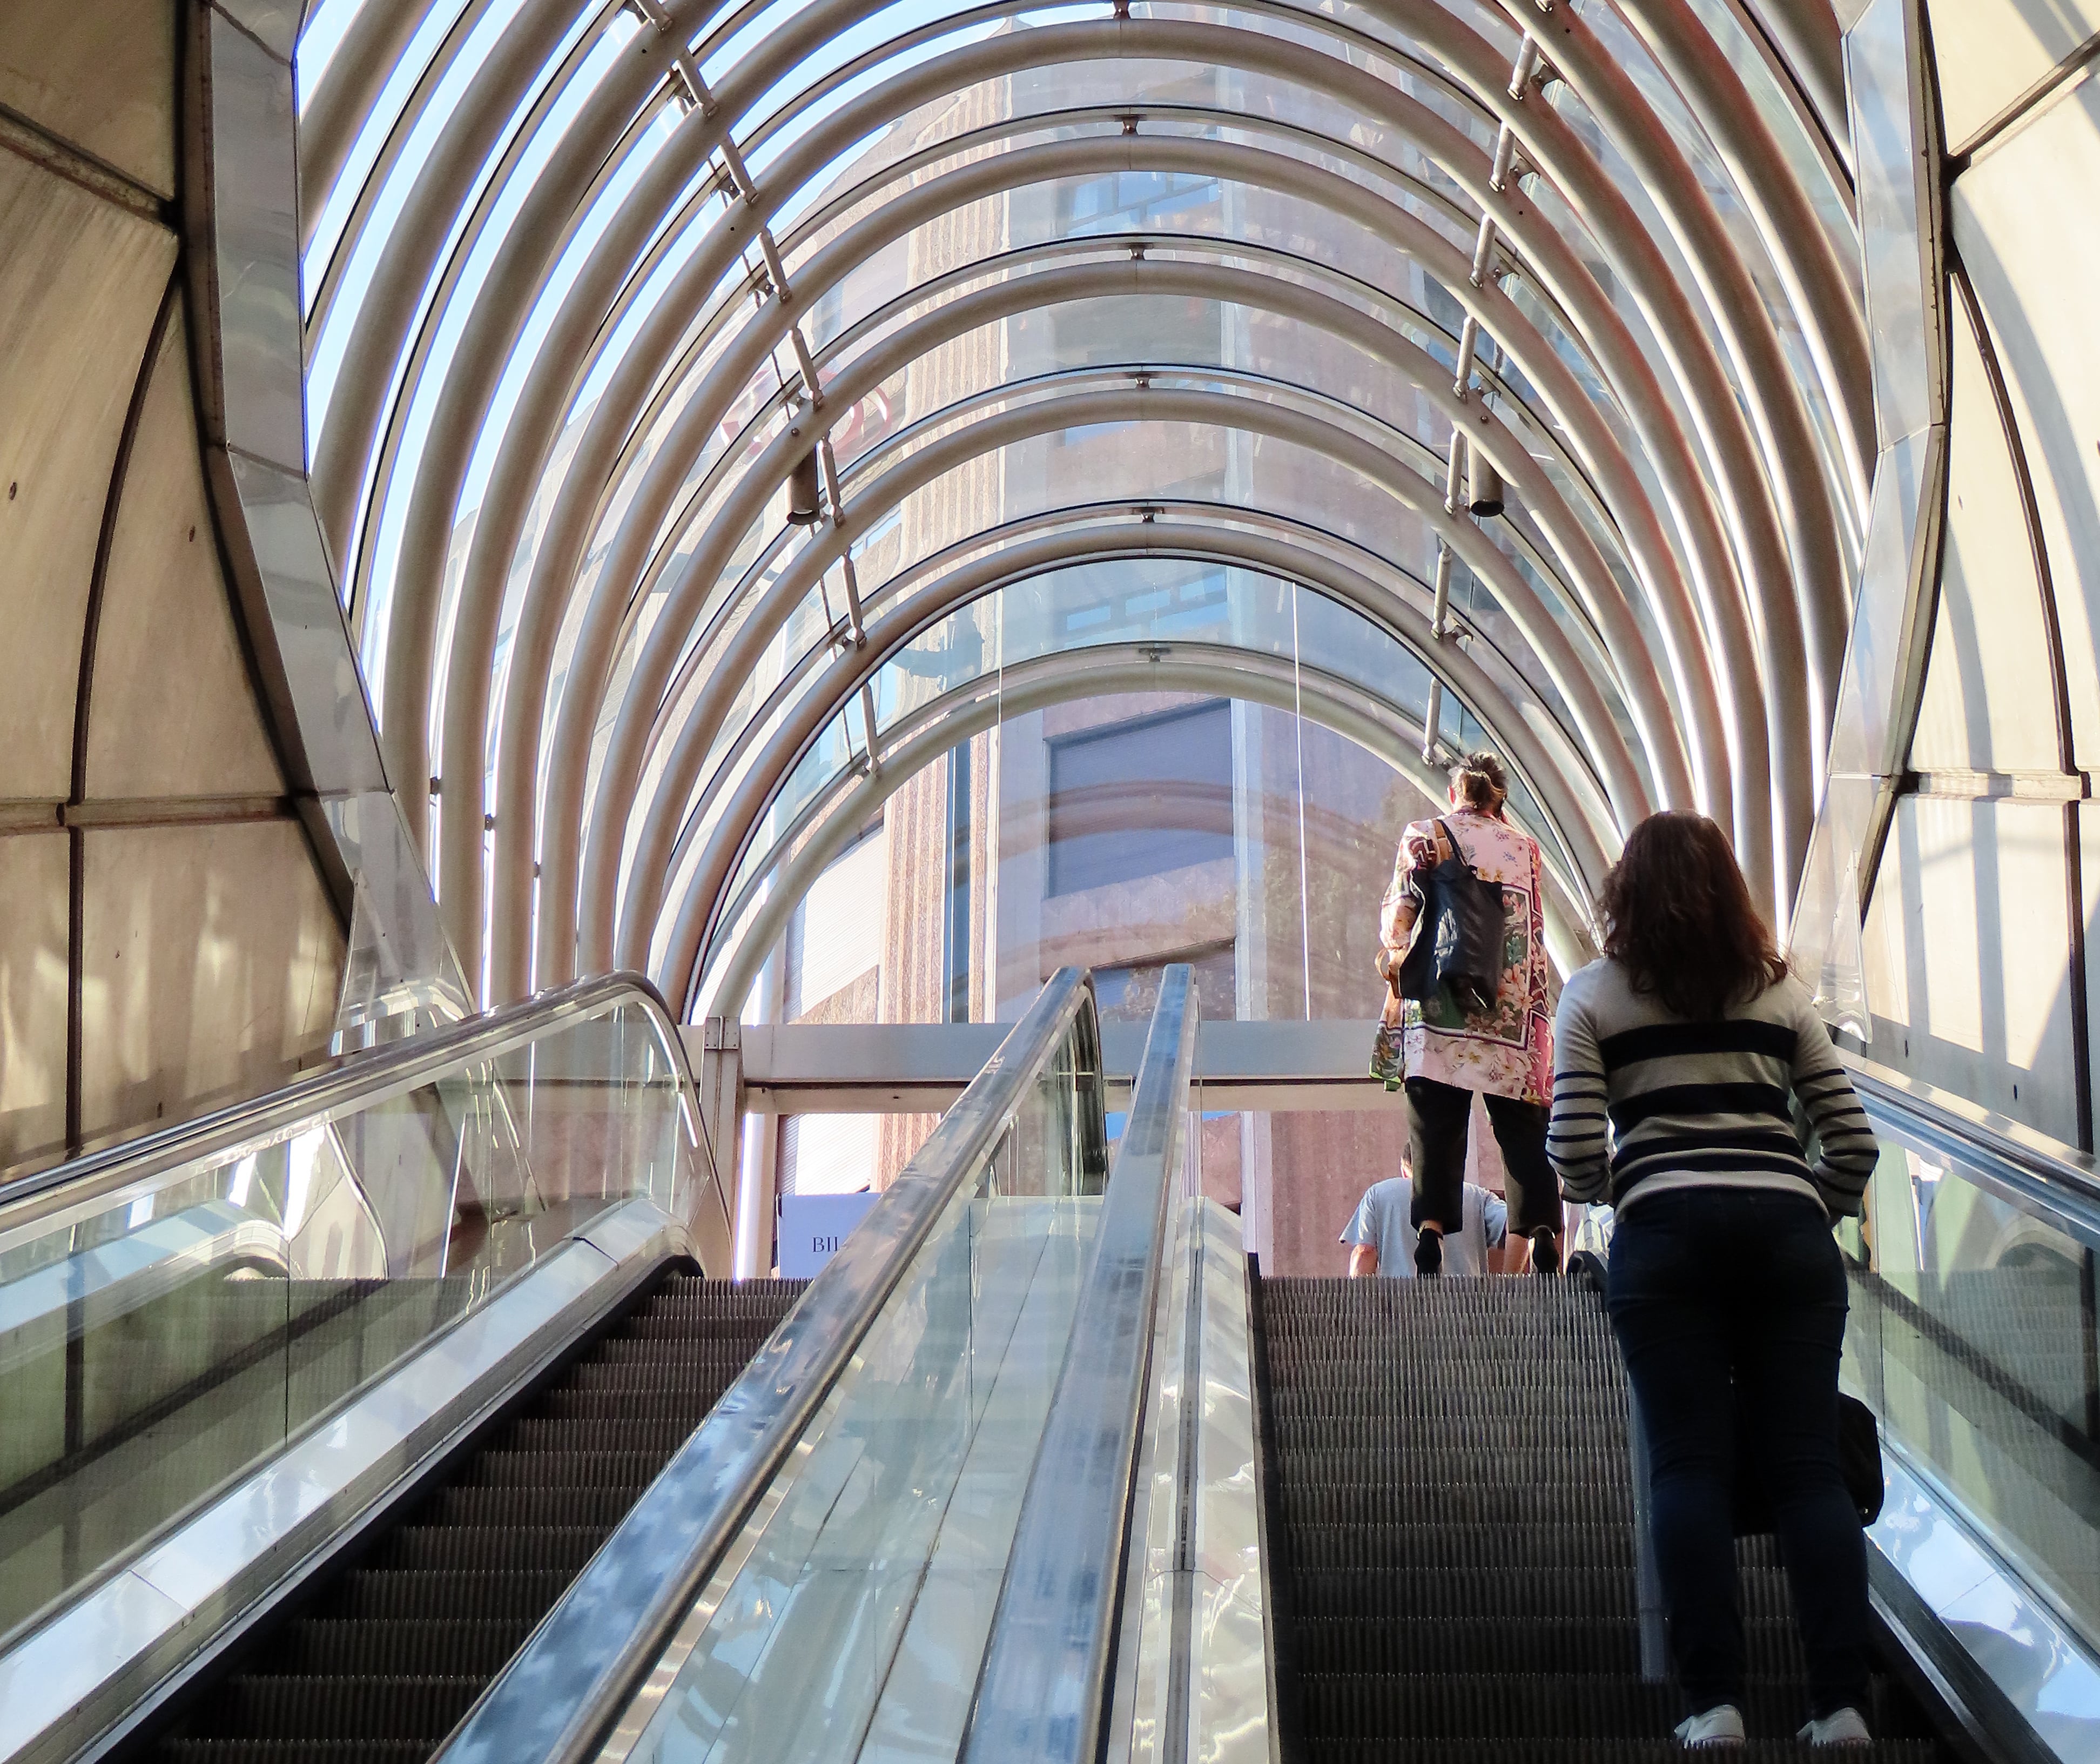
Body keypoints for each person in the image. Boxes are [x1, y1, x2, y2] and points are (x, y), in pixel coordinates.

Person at [1547, 811, 1880, 1750]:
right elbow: (1852, 1142)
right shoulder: (1780, 1000)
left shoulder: (1591, 998)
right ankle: (1842, 1706)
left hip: (1664, 1244)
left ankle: (1714, 1706)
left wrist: (1641, 1183)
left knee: (1687, 1467)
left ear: (1625, 897)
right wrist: (1804, 1200)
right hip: (1787, 1238)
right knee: (1808, 1469)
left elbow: (1572, 1153)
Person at [1378, 750, 1560, 1276]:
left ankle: (1431, 1232)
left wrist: (1392, 946)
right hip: (1512, 1014)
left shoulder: (1424, 834)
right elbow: (1532, 934)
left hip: (1443, 1006)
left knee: (1435, 1121)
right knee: (1523, 1130)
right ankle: (1544, 1228)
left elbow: (1400, 916)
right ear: (1499, 797)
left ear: (1455, 792)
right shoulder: (1526, 849)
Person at [1342, 1170, 1506, 1277]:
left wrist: (1359, 1309)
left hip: (1401, 1309)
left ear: (1404, 1168)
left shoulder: (1378, 1194)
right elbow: (1516, 1227)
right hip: (1466, 1308)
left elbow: (1365, 1252)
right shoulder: (1477, 1196)